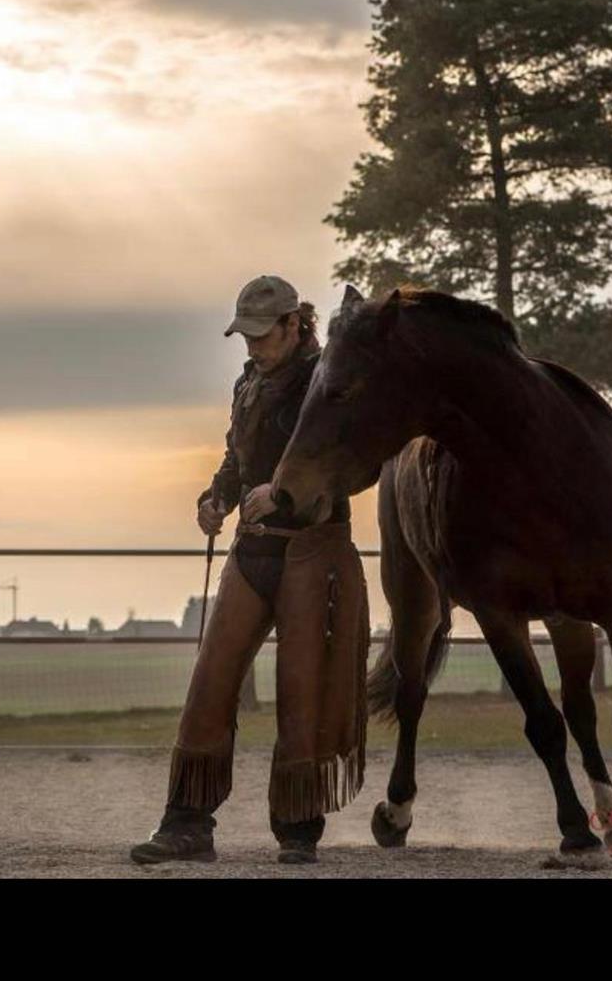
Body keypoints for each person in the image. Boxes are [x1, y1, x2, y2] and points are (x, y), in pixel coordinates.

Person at [130, 275, 370, 865]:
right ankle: (186, 825)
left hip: (313, 554)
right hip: (252, 552)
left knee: (301, 693)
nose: (253, 347)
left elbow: (354, 466)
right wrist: (217, 499)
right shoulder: (249, 381)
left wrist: (282, 494)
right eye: (247, 336)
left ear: (295, 324)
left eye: (263, 335)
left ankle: (298, 828)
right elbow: (237, 457)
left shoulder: (329, 383)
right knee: (209, 683)